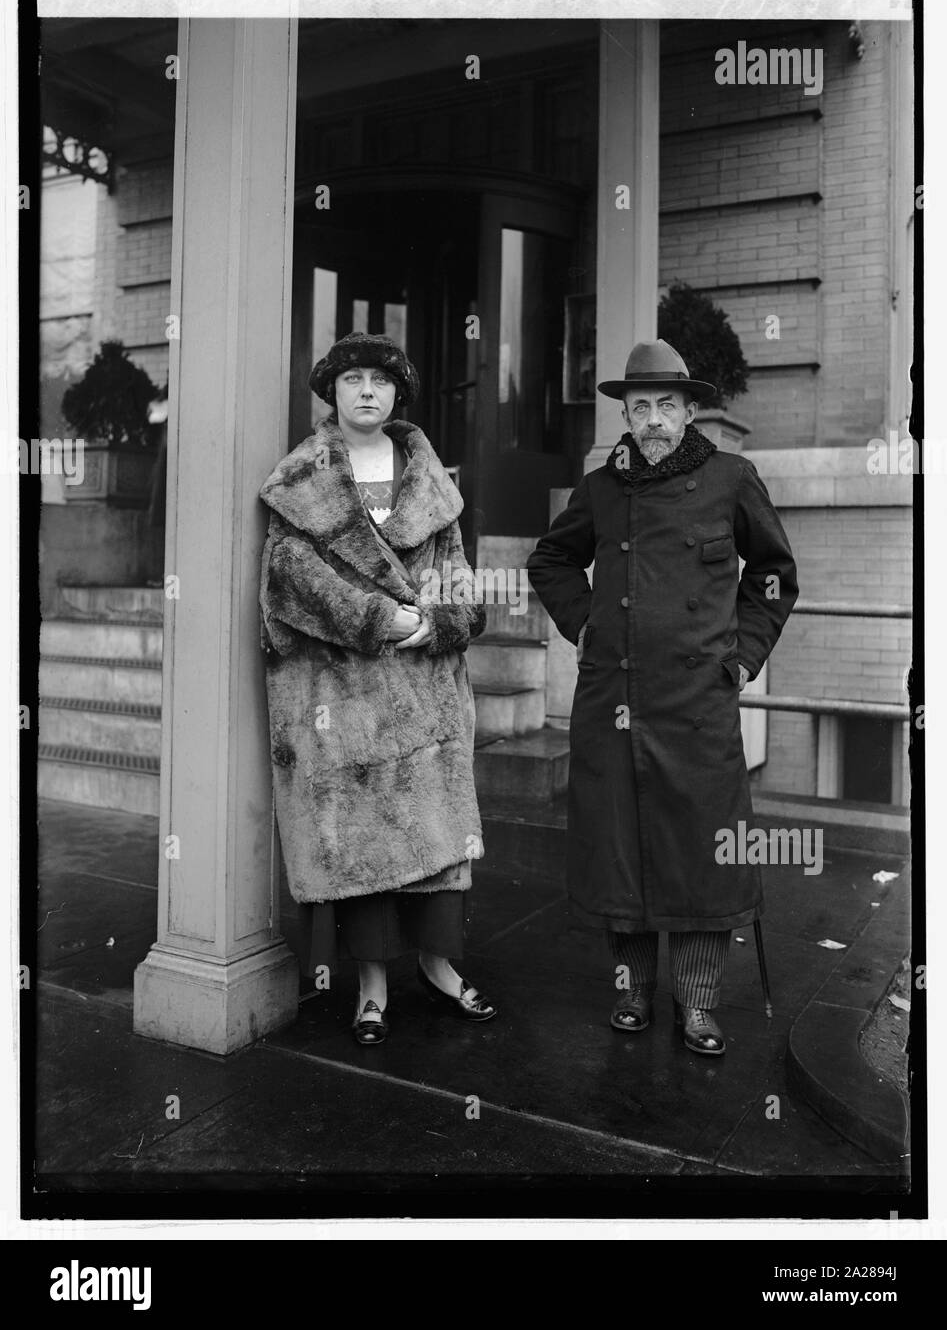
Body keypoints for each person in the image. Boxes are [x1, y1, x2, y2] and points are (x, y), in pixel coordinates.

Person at [526, 339, 797, 1056]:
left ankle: (700, 1005)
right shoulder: (601, 488)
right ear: (626, 411)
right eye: (639, 406)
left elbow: (772, 575)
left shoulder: (731, 478)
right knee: (620, 848)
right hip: (611, 698)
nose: (651, 420)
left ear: (687, 412)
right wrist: (582, 622)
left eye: (664, 407)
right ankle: (631, 992)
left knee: (702, 855)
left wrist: (741, 657)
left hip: (697, 702)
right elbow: (550, 558)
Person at [258, 332, 497, 1044]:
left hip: (424, 686)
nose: (367, 390)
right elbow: (288, 577)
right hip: (343, 692)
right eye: (352, 379)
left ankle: (438, 966)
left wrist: (437, 625)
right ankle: (370, 986)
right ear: (331, 393)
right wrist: (376, 618)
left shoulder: (432, 483)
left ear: (398, 396)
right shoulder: (299, 483)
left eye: (382, 381)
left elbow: (460, 580)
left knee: (435, 835)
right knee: (359, 844)